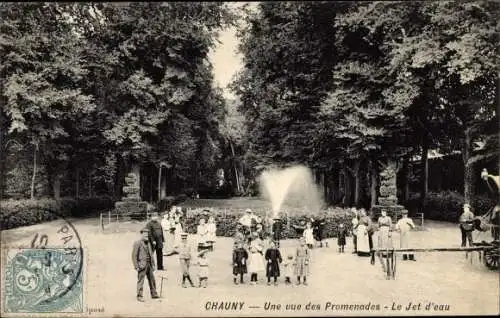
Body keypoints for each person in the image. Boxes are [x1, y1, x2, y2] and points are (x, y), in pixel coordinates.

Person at [132, 228, 159, 302]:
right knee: (141, 281)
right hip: (142, 265)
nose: (146, 236)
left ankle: (154, 294)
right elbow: (134, 256)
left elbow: (151, 254)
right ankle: (139, 296)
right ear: (141, 234)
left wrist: (153, 265)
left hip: (149, 265)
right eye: (145, 234)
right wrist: (136, 266)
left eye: (147, 234)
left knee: (152, 280)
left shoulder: (149, 243)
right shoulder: (137, 243)